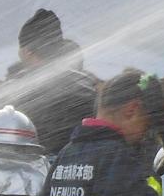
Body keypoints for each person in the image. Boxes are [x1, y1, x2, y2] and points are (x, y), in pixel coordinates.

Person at [8, 9, 102, 156]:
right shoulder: (85, 83)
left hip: (40, 165)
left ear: (27, 52)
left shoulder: (22, 88)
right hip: (79, 162)